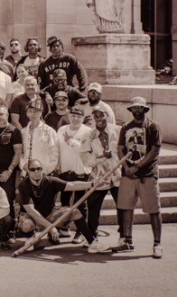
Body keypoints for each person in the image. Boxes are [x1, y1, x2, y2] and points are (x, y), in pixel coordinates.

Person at [114, 97, 163, 258]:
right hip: (128, 174)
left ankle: (157, 244)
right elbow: (120, 148)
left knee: (153, 209)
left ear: (144, 109)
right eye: (134, 108)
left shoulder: (153, 126)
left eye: (140, 108)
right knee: (126, 207)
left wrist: (138, 166)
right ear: (131, 110)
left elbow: (154, 150)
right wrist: (127, 167)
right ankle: (127, 240)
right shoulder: (126, 127)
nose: (137, 111)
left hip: (147, 174)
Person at [17, 159, 102, 253]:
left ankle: (91, 242)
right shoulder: (23, 185)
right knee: (26, 225)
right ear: (28, 171)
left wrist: (92, 184)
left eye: (38, 169)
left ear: (42, 170)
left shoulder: (51, 181)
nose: (36, 172)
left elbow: (72, 185)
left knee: (75, 212)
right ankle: (31, 238)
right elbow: (31, 211)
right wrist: (51, 227)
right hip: (31, 217)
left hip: (50, 214)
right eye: (32, 169)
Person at [79, 105, 123, 248]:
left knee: (122, 206)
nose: (99, 119)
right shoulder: (88, 136)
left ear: (107, 115)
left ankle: (124, 236)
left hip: (118, 175)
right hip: (99, 176)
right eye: (95, 116)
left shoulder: (119, 131)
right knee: (93, 206)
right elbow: (86, 159)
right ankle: (91, 236)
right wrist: (101, 156)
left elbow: (124, 152)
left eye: (101, 115)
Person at [56, 107, 92, 243]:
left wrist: (71, 141)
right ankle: (64, 228)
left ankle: (80, 232)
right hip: (65, 171)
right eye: (73, 116)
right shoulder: (61, 129)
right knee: (65, 202)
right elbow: (58, 148)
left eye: (78, 116)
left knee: (81, 203)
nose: (75, 118)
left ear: (83, 118)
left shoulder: (88, 131)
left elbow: (87, 150)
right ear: (69, 116)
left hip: (81, 171)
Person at [0, 105, 22, 229]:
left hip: (8, 172)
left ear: (7, 114)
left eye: (1, 114)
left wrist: (9, 170)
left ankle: (11, 229)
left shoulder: (14, 131)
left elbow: (18, 153)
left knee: (7, 200)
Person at [20, 98, 59, 175]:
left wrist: (44, 172)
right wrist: (23, 165)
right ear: (27, 113)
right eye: (30, 111)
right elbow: (20, 153)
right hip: (27, 173)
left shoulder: (49, 131)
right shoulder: (23, 132)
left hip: (44, 173)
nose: (33, 114)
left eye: (36, 111)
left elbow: (54, 154)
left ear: (41, 113)